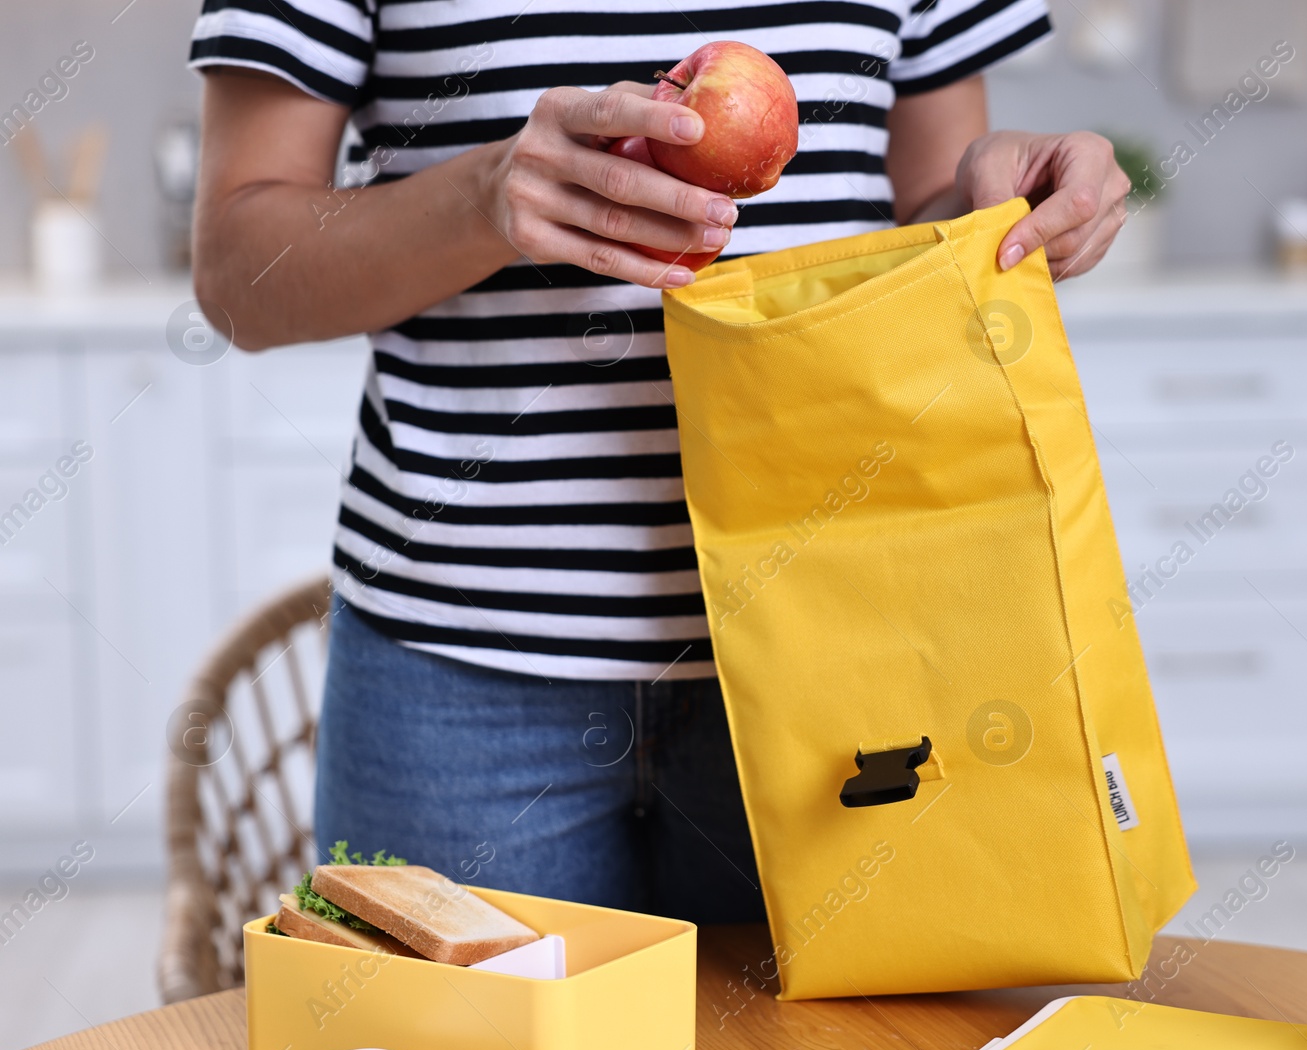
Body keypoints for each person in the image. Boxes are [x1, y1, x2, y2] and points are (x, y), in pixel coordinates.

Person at [188, 0, 1130, 924]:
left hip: (830, 643)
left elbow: (922, 220)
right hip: (459, 668)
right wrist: (483, 199)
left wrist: (995, 207)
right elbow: (239, 278)